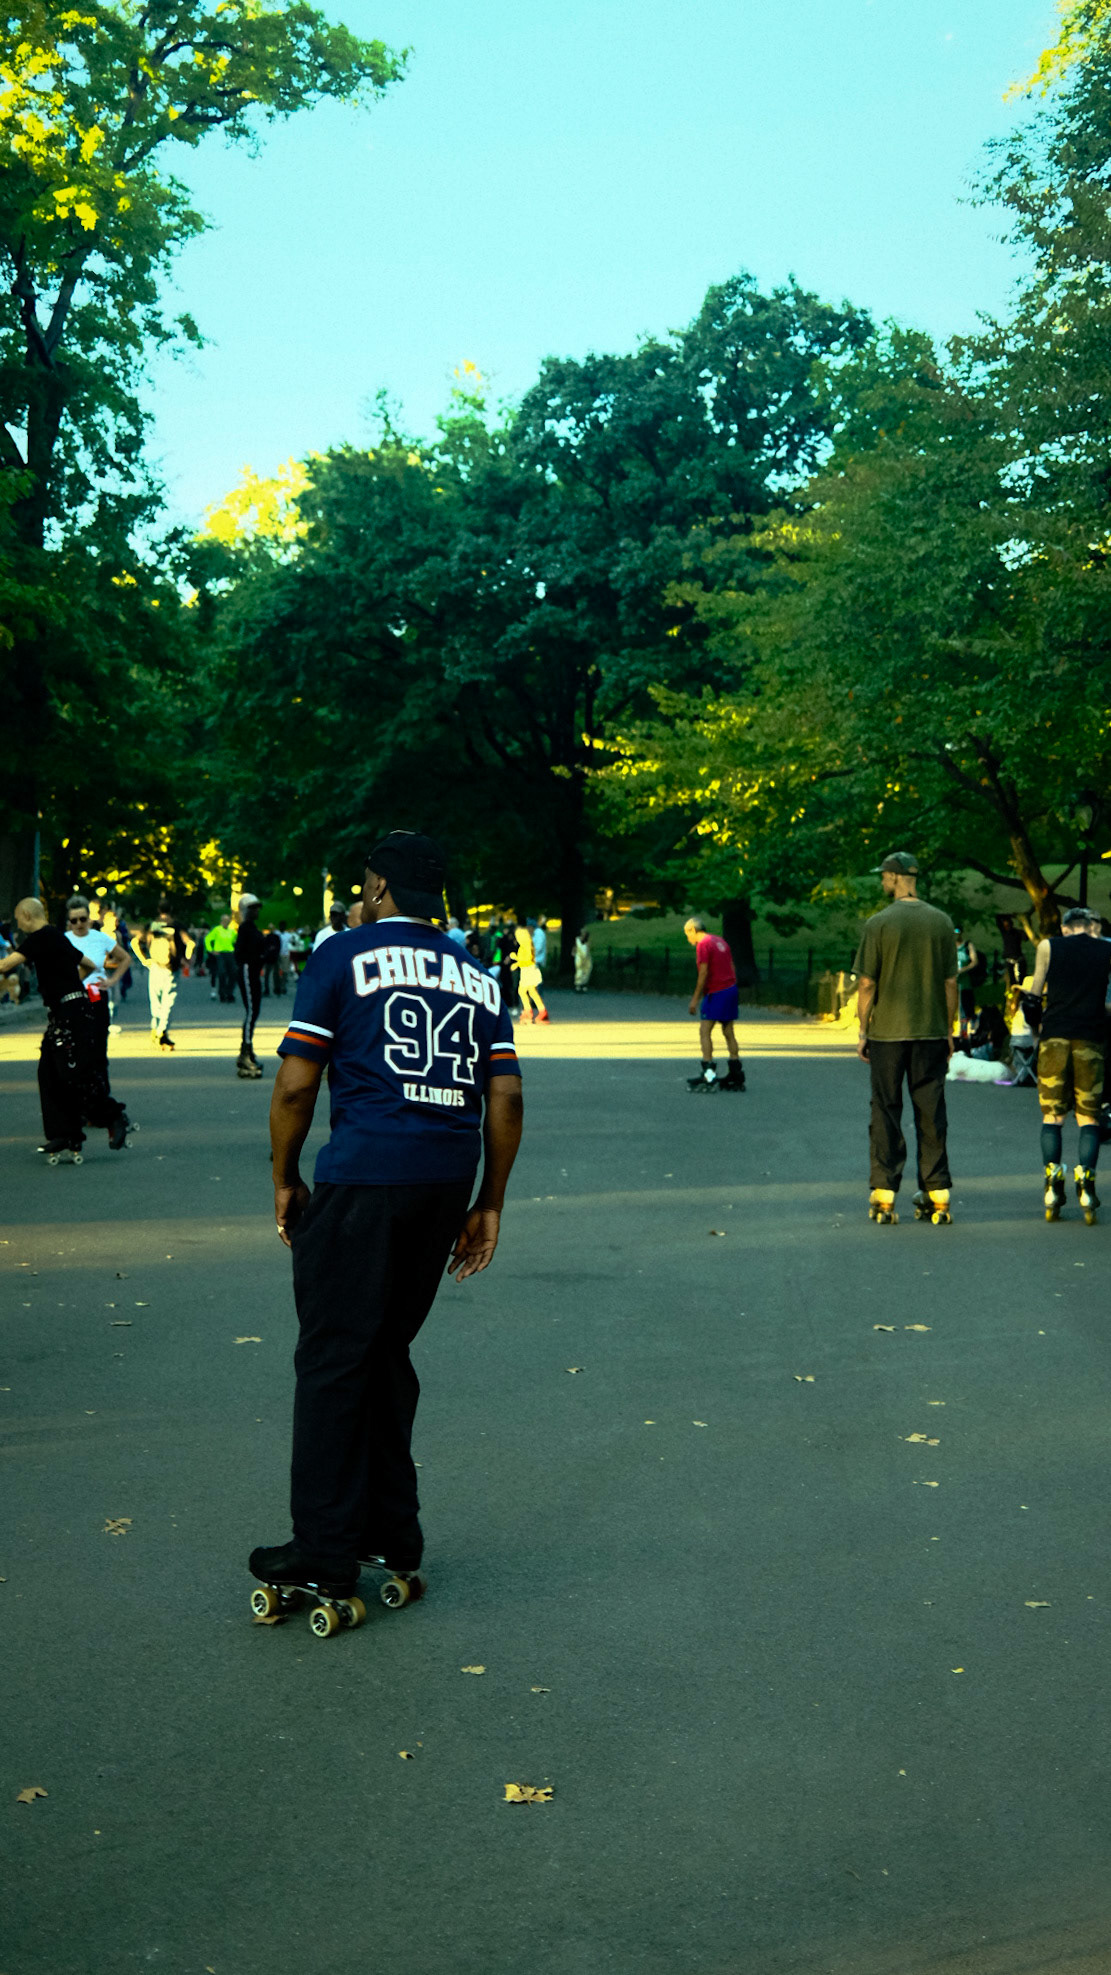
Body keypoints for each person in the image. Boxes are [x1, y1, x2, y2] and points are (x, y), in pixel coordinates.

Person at [248, 829, 523, 1617]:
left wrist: (284, 1176)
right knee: (385, 1349)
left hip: (364, 1173)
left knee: (334, 1356)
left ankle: (322, 1547)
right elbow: (505, 1097)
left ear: (377, 889)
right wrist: (488, 1200)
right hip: (443, 1178)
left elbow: (295, 1085)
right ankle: (390, 1530)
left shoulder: (342, 954)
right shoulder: (478, 975)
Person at [854, 852, 958, 1225]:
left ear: (897, 877)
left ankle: (884, 1193)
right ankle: (937, 1191)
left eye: (884, 875)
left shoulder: (878, 924)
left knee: (886, 1108)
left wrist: (863, 1029)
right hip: (930, 1032)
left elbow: (867, 982)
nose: (882, 881)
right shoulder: (942, 922)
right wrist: (949, 1029)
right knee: (931, 1110)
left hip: (887, 1034)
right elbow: (950, 982)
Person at [0, 897, 130, 1159]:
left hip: (70, 1014)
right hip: (70, 1010)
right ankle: (64, 1133)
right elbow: (89, 965)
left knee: (74, 1073)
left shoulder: (40, 937)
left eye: (19, 919)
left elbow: (4, 965)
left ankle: (113, 1117)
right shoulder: (57, 937)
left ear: (27, 915)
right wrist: (70, 985)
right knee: (49, 1072)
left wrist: (66, 990)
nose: (19, 925)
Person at [1027, 907, 1111, 1223]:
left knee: (1053, 1116)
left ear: (1065, 928)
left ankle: (1052, 1185)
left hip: (1055, 1037)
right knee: (1089, 1118)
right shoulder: (1105, 949)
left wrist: (1036, 1030)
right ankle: (1086, 1187)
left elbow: (1033, 996)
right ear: (1089, 926)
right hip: (1091, 1039)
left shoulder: (1048, 946)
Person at [64, 895, 132, 1123]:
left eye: (83, 919)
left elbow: (125, 959)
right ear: (68, 922)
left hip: (96, 995)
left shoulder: (100, 938)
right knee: (76, 1052)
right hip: (73, 998)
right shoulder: (63, 940)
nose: (79, 924)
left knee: (98, 1050)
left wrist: (112, 981)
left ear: (90, 919)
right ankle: (80, 1105)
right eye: (74, 920)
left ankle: (101, 1103)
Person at [683, 917, 745, 1092]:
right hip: (730, 988)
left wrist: (695, 999)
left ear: (693, 930)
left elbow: (703, 973)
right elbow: (731, 965)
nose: (688, 938)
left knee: (705, 1031)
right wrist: (732, 985)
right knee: (728, 1031)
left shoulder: (703, 945)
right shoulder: (720, 941)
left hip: (716, 991)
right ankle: (736, 1075)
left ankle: (709, 1076)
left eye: (687, 934)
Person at [130, 908, 190, 1050]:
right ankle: (162, 1030)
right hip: (171, 967)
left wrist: (144, 960)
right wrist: (186, 958)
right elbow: (190, 943)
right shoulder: (176, 925)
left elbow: (134, 942)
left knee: (156, 1000)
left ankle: (155, 1028)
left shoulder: (152, 925)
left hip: (155, 965)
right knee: (168, 1000)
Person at [235, 893, 266, 1078]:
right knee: (251, 1012)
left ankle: (247, 1050)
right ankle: (245, 1052)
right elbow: (240, 953)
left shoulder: (252, 928)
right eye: (252, 908)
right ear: (244, 910)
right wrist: (256, 958)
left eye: (257, 908)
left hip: (254, 972)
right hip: (248, 971)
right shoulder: (245, 928)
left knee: (254, 1011)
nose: (256, 911)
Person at [514, 919, 549, 1024]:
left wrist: (517, 961)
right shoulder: (525, 946)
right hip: (527, 969)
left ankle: (530, 1011)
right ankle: (537, 1010)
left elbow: (527, 959)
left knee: (524, 991)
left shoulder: (526, 946)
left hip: (529, 969)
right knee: (531, 991)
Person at [954, 926, 982, 1038]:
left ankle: (966, 1033)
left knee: (965, 1010)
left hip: (965, 984)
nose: (955, 934)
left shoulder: (967, 945)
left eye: (957, 931)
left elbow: (974, 961)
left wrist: (962, 970)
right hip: (952, 984)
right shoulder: (949, 946)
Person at [207, 912, 237, 1002]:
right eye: (224, 920)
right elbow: (208, 939)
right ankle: (222, 993)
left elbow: (235, 941)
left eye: (228, 921)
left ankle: (229, 992)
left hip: (230, 953)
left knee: (233, 973)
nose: (226, 922)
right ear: (221, 921)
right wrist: (211, 950)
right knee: (222, 973)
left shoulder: (232, 931)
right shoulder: (217, 930)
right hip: (220, 954)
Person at [573, 926, 592, 992]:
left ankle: (584, 985)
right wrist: (573, 952)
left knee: (586, 971)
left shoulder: (587, 941)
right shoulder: (577, 940)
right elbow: (575, 946)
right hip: (579, 957)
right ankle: (578, 985)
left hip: (586, 958)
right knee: (579, 970)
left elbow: (588, 949)